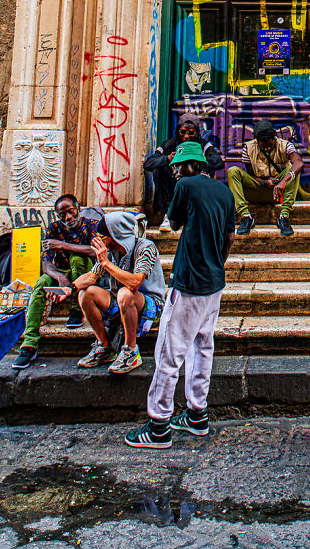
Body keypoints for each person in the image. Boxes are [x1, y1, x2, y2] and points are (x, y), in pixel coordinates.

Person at [125, 141, 235, 449]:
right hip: (214, 283)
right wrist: (216, 263)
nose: (173, 170)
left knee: (169, 352)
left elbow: (172, 223)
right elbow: (229, 237)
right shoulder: (225, 192)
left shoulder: (185, 185)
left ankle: (159, 425)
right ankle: (196, 414)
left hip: (188, 282)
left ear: (192, 166)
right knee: (202, 347)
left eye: (178, 166)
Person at [12, 194, 106, 370]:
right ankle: (29, 344)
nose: (67, 217)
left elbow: (95, 252)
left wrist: (61, 245)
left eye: (70, 212)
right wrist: (60, 277)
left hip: (86, 275)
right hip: (61, 273)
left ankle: (76, 310)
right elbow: (46, 262)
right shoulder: (54, 228)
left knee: (78, 259)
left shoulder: (91, 225)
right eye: (62, 214)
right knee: (41, 283)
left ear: (78, 208)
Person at [73, 210, 166, 374]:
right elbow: (92, 276)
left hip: (151, 307)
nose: (101, 242)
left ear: (116, 234)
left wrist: (106, 263)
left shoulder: (146, 247)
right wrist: (69, 289)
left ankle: (131, 351)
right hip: (121, 302)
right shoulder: (109, 252)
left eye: (103, 238)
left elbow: (135, 283)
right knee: (85, 294)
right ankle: (105, 347)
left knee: (125, 293)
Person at [144, 112, 224, 231]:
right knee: (159, 169)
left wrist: (197, 158)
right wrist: (167, 159)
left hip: (196, 186)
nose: (186, 136)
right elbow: (148, 163)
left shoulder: (203, 145)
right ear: (178, 131)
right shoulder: (169, 145)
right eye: (183, 132)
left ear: (196, 132)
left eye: (190, 133)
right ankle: (168, 215)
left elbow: (218, 162)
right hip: (173, 187)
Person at [227, 119, 303, 237]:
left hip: (279, 193)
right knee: (233, 171)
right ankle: (246, 217)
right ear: (257, 141)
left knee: (293, 170)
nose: (267, 149)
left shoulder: (285, 145)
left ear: (274, 138)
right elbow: (251, 175)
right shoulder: (248, 148)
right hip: (258, 190)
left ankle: (284, 216)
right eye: (264, 146)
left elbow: (299, 162)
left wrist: (283, 181)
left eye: (269, 145)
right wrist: (264, 182)